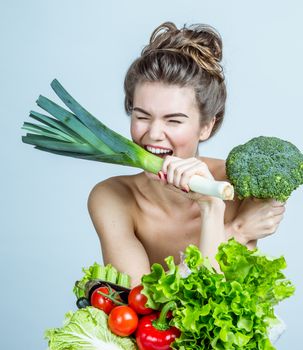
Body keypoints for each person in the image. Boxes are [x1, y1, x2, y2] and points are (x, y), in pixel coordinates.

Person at [88, 22, 285, 287]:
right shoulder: (112, 197)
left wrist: (212, 205)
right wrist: (236, 230)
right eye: (142, 116)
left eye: (174, 121)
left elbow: (217, 305)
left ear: (206, 126)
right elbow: (140, 304)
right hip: (149, 330)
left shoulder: (239, 186)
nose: (154, 134)